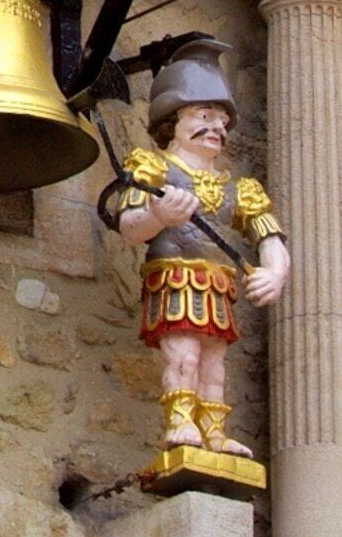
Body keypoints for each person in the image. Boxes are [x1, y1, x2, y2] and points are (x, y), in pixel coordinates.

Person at [103, 35, 289, 456]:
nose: (216, 128)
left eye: (222, 120)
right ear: (174, 121)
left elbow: (270, 236)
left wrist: (275, 271)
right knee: (183, 357)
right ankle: (180, 422)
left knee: (213, 366)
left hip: (218, 284)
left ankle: (214, 432)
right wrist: (160, 217)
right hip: (174, 276)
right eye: (204, 116)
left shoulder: (239, 188)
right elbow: (130, 227)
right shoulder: (152, 168)